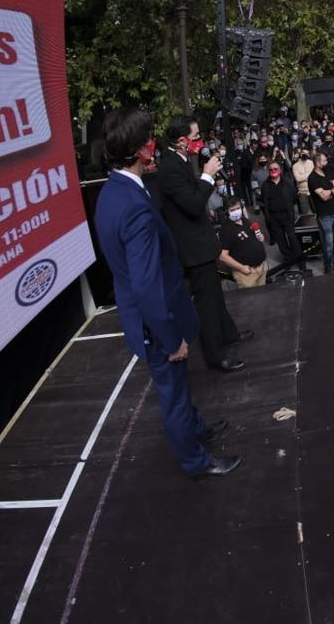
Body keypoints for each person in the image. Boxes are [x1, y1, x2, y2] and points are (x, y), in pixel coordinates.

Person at [93, 108, 240, 478]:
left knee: (179, 389)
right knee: (173, 396)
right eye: (149, 141)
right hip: (157, 325)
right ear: (143, 151)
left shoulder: (112, 193)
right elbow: (145, 284)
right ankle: (196, 461)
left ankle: (197, 429)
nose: (153, 146)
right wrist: (171, 338)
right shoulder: (134, 209)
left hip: (146, 317)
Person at [155, 116, 247, 373]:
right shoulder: (171, 168)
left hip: (201, 243)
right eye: (196, 137)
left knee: (215, 294)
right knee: (206, 303)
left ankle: (229, 334)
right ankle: (215, 356)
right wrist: (207, 177)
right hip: (192, 249)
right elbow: (194, 205)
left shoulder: (181, 161)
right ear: (183, 141)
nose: (200, 141)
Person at [307, 151, 334, 275]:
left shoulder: (328, 172)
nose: (326, 162)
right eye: (324, 160)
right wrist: (332, 192)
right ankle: (328, 268)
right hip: (325, 216)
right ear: (318, 162)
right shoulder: (312, 178)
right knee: (328, 244)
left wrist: (329, 192)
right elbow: (323, 197)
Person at [259, 160, 303, 271]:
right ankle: (288, 261)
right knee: (281, 242)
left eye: (275, 169)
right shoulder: (265, 185)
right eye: (271, 169)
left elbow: (293, 197)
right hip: (273, 218)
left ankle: (300, 261)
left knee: (293, 239)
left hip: (287, 216)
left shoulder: (288, 183)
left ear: (280, 170)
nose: (273, 171)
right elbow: (264, 201)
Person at [217, 195, 268, 288]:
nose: (236, 212)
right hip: (247, 274)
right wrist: (241, 268)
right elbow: (223, 256)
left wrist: (261, 237)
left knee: (263, 297)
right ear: (227, 212)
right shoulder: (226, 230)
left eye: (238, 208)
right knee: (252, 300)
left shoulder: (245, 220)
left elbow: (258, 237)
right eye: (232, 210)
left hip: (261, 268)